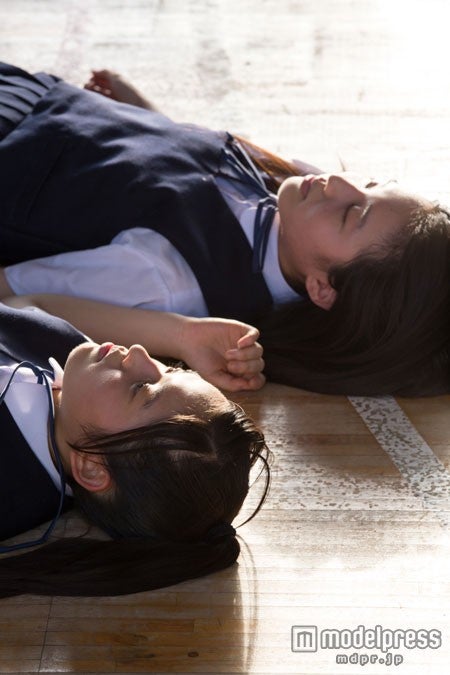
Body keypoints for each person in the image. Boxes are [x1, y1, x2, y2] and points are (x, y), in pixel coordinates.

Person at [0, 63, 449, 396]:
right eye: (371, 184)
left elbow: (14, 297)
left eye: (351, 213)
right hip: (28, 92)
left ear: (322, 288)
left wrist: (174, 333)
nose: (339, 183)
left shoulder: (169, 278)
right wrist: (139, 115)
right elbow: (182, 181)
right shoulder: (285, 204)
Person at [0, 297, 270, 598]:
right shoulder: (81, 377)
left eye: (141, 388)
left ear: (92, 468)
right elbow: (25, 301)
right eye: (172, 369)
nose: (140, 353)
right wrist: (184, 335)